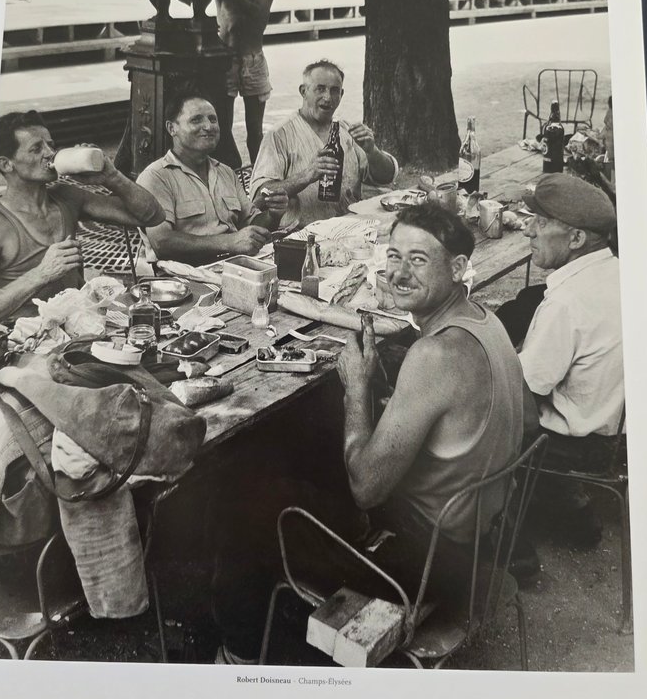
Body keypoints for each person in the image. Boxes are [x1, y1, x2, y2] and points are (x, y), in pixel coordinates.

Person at [209, 205, 533, 664]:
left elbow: (365, 490)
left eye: (419, 260)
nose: (399, 273)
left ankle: (239, 654)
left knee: (246, 496)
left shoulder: (436, 354)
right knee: (309, 439)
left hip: (419, 566)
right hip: (477, 536)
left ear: (459, 267)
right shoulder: (485, 321)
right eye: (395, 256)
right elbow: (530, 421)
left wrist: (358, 390)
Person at [517, 173, 623, 546]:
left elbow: (524, 391)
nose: (528, 230)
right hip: (611, 431)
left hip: (570, 443)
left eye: (541, 223)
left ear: (577, 238)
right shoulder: (620, 273)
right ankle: (564, 505)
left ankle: (511, 537)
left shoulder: (566, 302)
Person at [0, 111, 165, 325]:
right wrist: (41, 274)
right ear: (6, 164)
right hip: (22, 339)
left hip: (80, 325)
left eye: (51, 145)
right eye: (36, 149)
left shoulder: (67, 196)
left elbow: (152, 216)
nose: (50, 153)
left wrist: (112, 177)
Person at [136, 87, 289, 265]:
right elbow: (162, 243)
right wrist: (229, 242)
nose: (208, 127)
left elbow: (250, 225)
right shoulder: (155, 177)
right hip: (181, 280)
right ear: (172, 128)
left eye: (213, 119)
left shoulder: (225, 172)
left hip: (233, 267)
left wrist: (273, 214)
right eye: (196, 120)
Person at [248, 60, 398, 232]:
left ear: (341, 94)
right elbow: (260, 197)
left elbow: (386, 177)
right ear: (303, 91)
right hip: (300, 236)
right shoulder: (279, 135)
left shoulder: (347, 131)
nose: (327, 97)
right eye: (320, 89)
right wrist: (307, 175)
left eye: (334, 91)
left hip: (351, 230)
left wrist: (372, 151)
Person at [213, 0, 277, 168]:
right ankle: (230, 171)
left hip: (253, 60)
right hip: (225, 62)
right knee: (222, 125)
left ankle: (260, 174)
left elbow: (258, 13)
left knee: (255, 130)